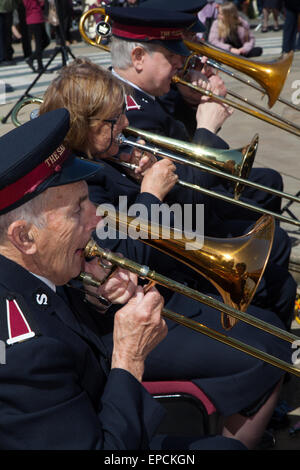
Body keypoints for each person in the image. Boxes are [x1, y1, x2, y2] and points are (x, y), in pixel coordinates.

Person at [39, 53, 296, 449]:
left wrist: (160, 183)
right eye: (113, 121)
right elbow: (113, 260)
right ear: (83, 128)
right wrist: (150, 195)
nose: (125, 125)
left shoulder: (110, 158)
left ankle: (246, 422)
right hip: (117, 322)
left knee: (270, 323)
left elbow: (181, 223)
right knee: (263, 351)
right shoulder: (78, 181)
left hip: (163, 287)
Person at [0, 108, 252, 451]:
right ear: (24, 237)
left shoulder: (28, 269)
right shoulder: (24, 351)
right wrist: (130, 356)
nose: (97, 218)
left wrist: (94, 300)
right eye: (78, 209)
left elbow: (52, 311)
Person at [22, 0, 50, 72]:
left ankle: (32, 58)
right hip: (35, 17)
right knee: (39, 43)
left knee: (46, 41)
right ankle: (39, 66)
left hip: (35, 17)